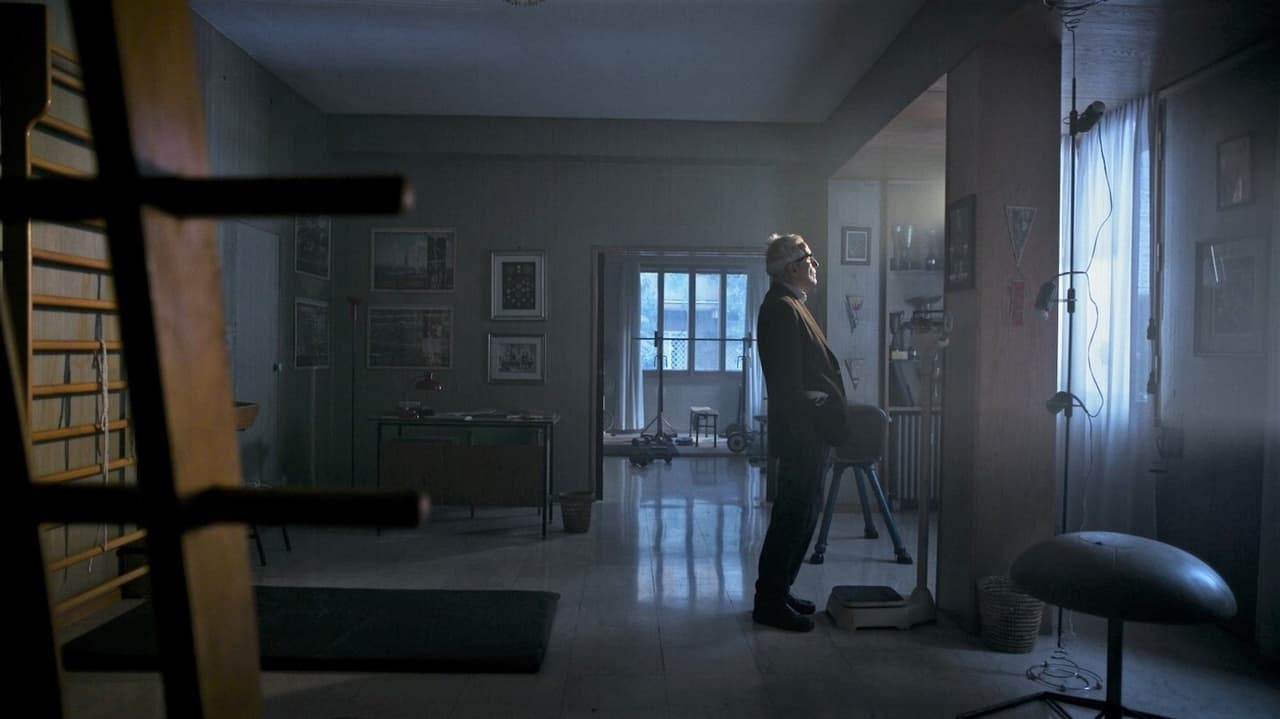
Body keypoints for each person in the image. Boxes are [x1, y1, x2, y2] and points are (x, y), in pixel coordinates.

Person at [753, 232, 848, 632]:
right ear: (792, 268)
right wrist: (818, 406)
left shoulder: (793, 303)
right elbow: (788, 383)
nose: (816, 264)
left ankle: (781, 589)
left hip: (811, 432)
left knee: (805, 513)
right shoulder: (780, 308)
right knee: (793, 515)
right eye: (809, 258)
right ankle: (769, 602)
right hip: (802, 432)